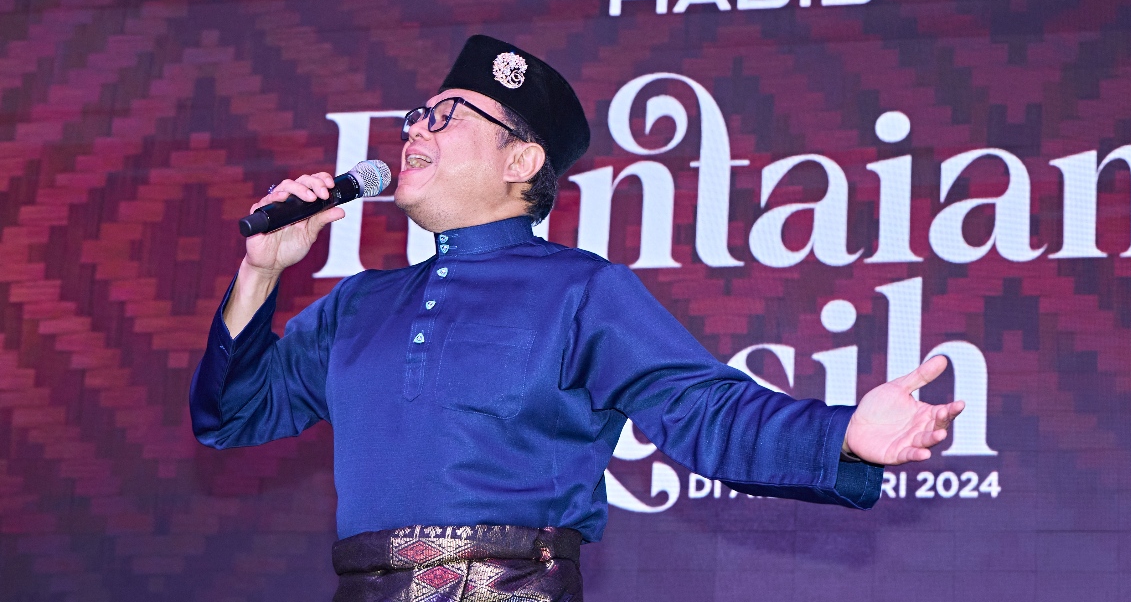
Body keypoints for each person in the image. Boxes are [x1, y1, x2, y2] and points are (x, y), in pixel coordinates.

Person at [190, 35, 965, 602]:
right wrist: (261, 271)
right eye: (417, 116)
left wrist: (842, 434)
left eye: (447, 116)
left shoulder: (581, 291)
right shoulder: (358, 304)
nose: (415, 130)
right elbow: (228, 416)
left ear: (520, 161)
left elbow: (705, 412)